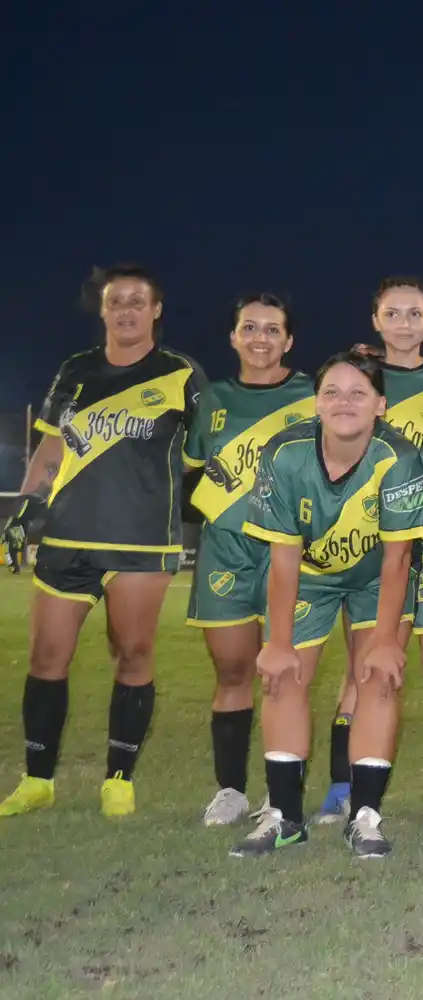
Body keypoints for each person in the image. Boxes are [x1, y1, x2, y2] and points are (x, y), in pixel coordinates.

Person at [0, 265, 207, 819]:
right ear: (103, 310)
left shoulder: (180, 374)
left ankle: (118, 777)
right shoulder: (76, 372)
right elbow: (49, 452)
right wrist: (22, 511)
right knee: (47, 655)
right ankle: (38, 779)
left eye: (138, 301)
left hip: (142, 542)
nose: (127, 310)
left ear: (156, 310)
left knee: (133, 653)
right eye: (117, 302)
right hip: (68, 535)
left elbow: (208, 452)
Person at [229, 351, 423, 859]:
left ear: (381, 404)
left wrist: (385, 642)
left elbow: (398, 557)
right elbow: (283, 557)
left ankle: (365, 815)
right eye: (332, 392)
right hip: (310, 577)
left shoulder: (400, 458)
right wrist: (277, 643)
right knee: (284, 674)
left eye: (358, 392)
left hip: (374, 577)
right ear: (315, 402)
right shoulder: (284, 452)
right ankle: (285, 815)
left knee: (377, 677)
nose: (344, 402)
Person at [325, 277, 423, 828]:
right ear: (376, 320)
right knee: (362, 664)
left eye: (415, 314)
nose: (404, 323)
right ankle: (342, 786)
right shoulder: (360, 377)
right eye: (393, 313)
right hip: (371, 541)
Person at [185, 293, 315, 826]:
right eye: (249, 328)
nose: (260, 338)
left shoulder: (313, 394)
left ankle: (281, 791)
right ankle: (232, 790)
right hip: (228, 550)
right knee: (234, 670)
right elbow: (193, 475)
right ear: (233, 337)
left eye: (272, 330)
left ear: (288, 340)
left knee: (289, 675)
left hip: (293, 551)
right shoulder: (213, 400)